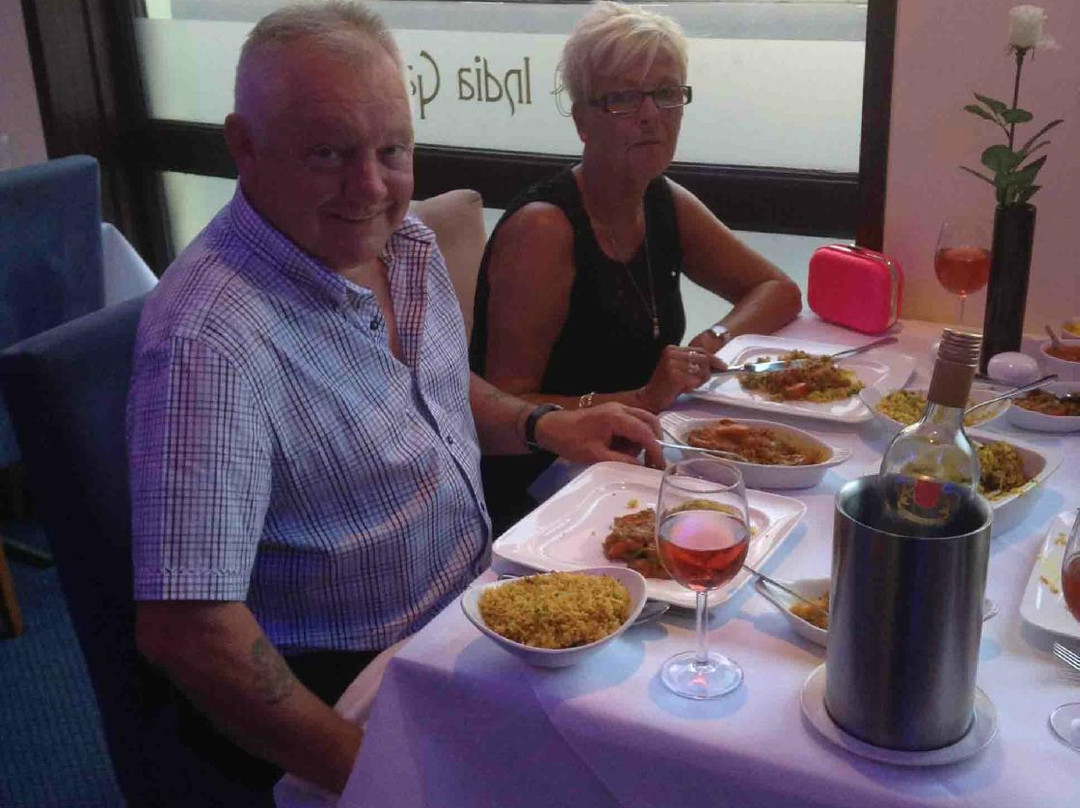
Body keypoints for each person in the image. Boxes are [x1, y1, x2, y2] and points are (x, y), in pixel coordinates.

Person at [126, 2, 662, 801]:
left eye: (392, 150)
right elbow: (187, 631)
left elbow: (431, 392)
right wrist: (377, 773)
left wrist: (547, 425)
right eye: (328, 153)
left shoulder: (403, 245)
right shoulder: (209, 341)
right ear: (244, 145)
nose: (371, 187)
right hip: (347, 688)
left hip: (473, 617)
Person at [469, 1, 802, 532]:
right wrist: (641, 397)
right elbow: (504, 408)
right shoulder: (545, 229)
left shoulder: (661, 201)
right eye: (624, 98)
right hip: (541, 490)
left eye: (666, 92)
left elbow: (777, 288)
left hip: (635, 457)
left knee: (780, 510)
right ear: (582, 120)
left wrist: (709, 342)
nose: (651, 115)